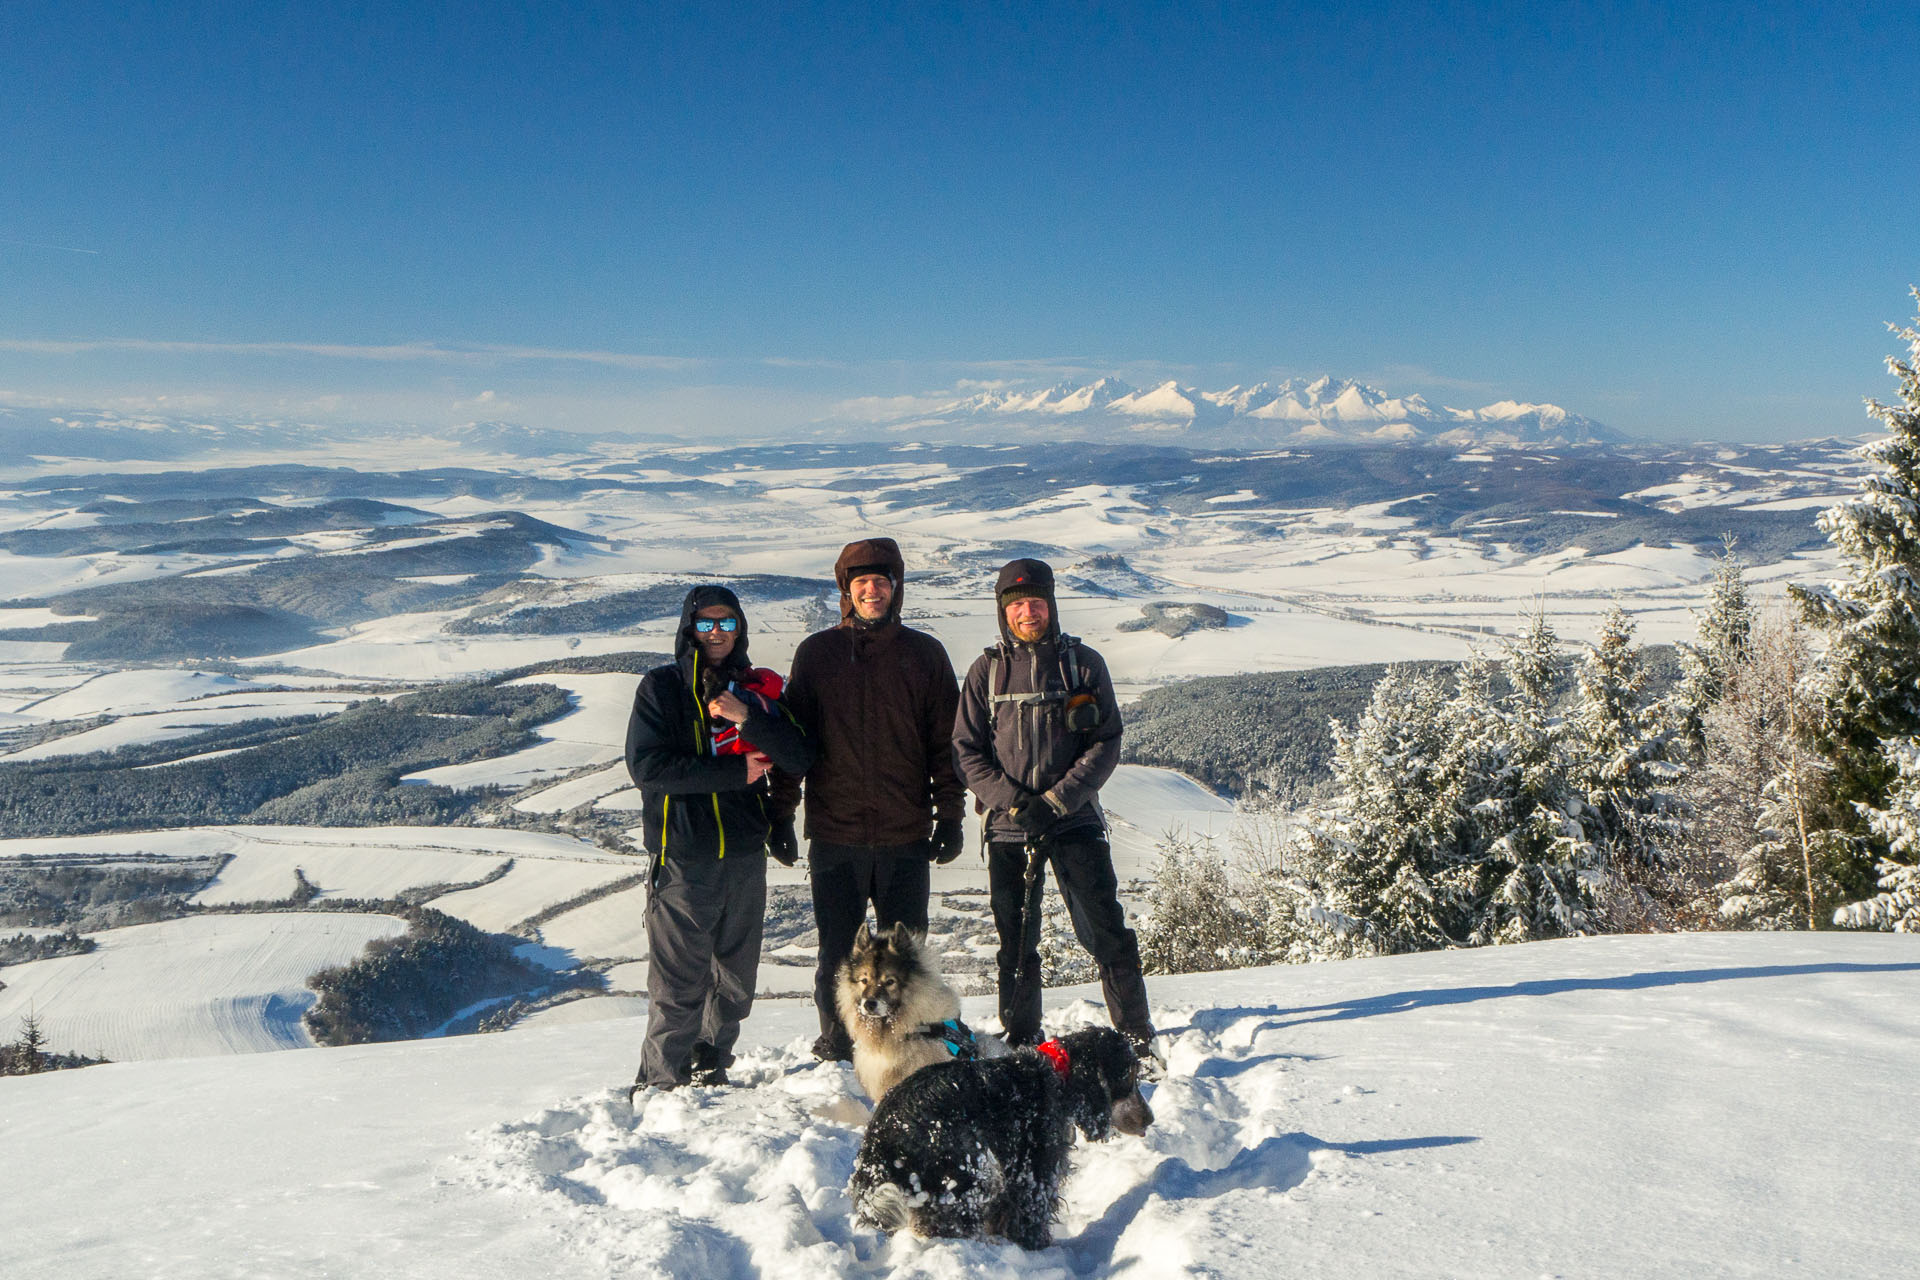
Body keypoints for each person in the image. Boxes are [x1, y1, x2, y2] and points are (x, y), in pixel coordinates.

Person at [769, 537, 966, 1062]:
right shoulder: (818, 655)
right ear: (846, 591)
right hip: (837, 834)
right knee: (838, 952)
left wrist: (949, 814)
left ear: (896, 589)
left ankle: (914, 1039)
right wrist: (781, 814)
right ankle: (838, 1040)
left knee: (908, 953)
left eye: (882, 582)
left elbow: (944, 745)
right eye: (862, 584)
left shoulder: (924, 654)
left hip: (905, 834)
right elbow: (794, 743)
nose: (872, 591)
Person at [952, 557, 1155, 1061]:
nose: (1028, 612)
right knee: (1016, 939)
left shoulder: (1082, 664)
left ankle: (1136, 1035)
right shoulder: (987, 671)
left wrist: (1058, 800)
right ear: (1003, 611)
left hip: (1075, 819)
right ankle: (1022, 1040)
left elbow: (1106, 741)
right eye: (1017, 604)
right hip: (1008, 825)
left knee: (1105, 929)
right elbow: (966, 750)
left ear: (1052, 605)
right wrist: (1017, 803)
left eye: (1036, 602)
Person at [625, 584, 810, 1093]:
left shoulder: (754, 690)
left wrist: (746, 716)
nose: (716, 633)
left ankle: (710, 1063)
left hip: (744, 855)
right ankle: (662, 1084)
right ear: (689, 629)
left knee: (736, 980)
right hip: (684, 857)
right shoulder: (661, 688)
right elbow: (648, 767)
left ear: (739, 629)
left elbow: (799, 755)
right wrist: (733, 772)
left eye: (726, 623)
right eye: (705, 623)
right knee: (679, 986)